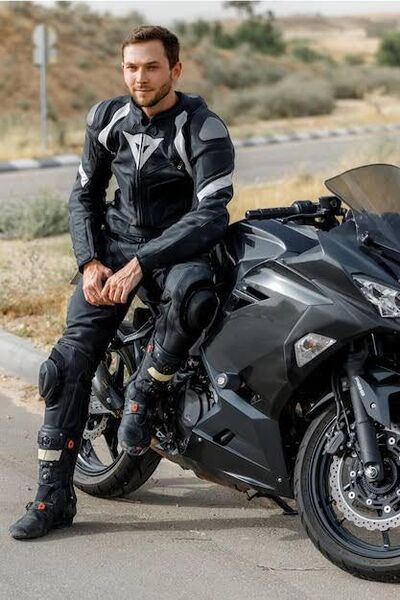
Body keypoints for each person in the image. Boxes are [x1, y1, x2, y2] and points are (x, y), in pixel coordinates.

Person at [9, 25, 234, 540]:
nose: (140, 77)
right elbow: (84, 196)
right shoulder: (105, 118)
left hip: (177, 250)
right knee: (63, 368)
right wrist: (90, 261)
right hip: (112, 248)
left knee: (194, 298)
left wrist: (143, 263)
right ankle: (51, 499)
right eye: (131, 67)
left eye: (152, 67)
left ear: (175, 69)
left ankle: (144, 391)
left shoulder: (203, 127)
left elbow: (211, 214)